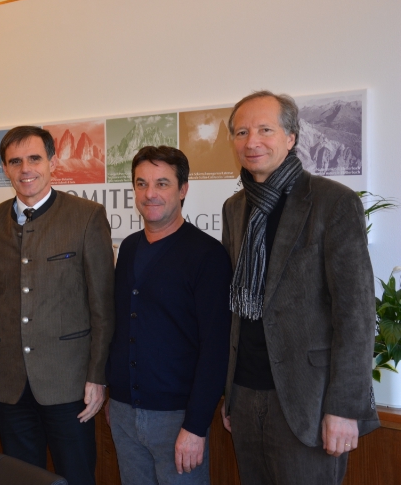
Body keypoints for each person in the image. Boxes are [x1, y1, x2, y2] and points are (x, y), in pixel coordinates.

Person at [220, 91, 380, 484]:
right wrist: (229, 393)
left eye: (265, 130)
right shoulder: (235, 208)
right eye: (242, 132)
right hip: (245, 394)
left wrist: (344, 408)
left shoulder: (333, 202)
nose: (252, 141)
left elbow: (356, 314)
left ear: (291, 137)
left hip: (310, 402)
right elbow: (235, 311)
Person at [0, 125, 115, 485]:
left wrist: (97, 376)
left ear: (52, 162)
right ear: (4, 168)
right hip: (10, 384)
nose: (26, 169)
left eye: (34, 158)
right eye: (15, 161)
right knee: (20, 478)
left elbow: (102, 306)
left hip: (69, 383)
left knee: (77, 476)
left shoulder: (86, 216)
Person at [105, 146, 231, 485]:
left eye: (162, 183)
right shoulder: (128, 247)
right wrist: (115, 397)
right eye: (141, 183)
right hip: (124, 412)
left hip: (177, 419)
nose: (150, 193)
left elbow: (216, 347)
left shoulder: (208, 255)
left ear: (183, 189)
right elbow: (121, 326)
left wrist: (195, 425)